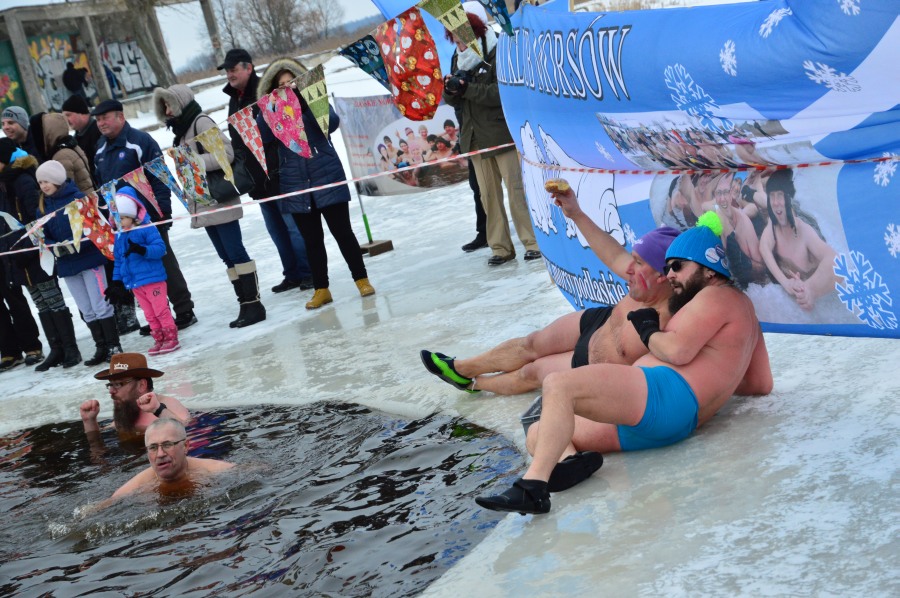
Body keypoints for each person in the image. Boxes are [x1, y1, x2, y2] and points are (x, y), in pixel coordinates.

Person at [476, 213, 773, 514]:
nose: (670, 275)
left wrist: (648, 331)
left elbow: (678, 351)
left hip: (663, 396)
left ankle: (532, 488)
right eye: (668, 267)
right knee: (539, 433)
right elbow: (760, 384)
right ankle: (568, 463)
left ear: (710, 270)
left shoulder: (716, 295)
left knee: (557, 384)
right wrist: (714, 377)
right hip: (669, 421)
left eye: (679, 266)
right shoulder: (747, 315)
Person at [422, 184, 680, 396]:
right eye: (632, 260)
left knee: (531, 372)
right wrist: (575, 213)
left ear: (662, 276)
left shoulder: (674, 318)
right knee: (531, 342)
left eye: (638, 263)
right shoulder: (646, 276)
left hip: (595, 360)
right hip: (603, 321)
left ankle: (472, 384)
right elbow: (612, 254)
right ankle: (461, 367)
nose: (629, 270)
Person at [256, 57, 375, 309]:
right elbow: (263, 136)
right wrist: (272, 108)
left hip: (326, 175)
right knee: (312, 241)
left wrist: (308, 103)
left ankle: (361, 279)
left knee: (344, 234)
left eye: (292, 82)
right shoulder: (272, 111)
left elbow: (331, 123)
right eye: (281, 85)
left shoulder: (315, 101)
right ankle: (322, 289)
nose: (288, 87)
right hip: (294, 182)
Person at [153, 83, 266, 328]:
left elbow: (226, 154)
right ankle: (244, 303)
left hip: (218, 198)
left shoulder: (200, 123)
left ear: (180, 102)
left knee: (236, 253)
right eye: (163, 106)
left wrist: (190, 160)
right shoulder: (182, 130)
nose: (167, 110)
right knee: (227, 257)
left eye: (169, 104)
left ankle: (254, 304)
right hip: (203, 203)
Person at [442, 2, 541, 265]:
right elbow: (455, 101)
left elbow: (502, 92)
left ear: (474, 31)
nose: (459, 43)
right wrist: (450, 92)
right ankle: (500, 247)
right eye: (454, 38)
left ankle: (532, 242)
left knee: (516, 190)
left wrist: (468, 89)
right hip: (474, 138)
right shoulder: (457, 58)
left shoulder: (498, 50)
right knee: (488, 197)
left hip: (500, 134)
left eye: (462, 37)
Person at [93, 99, 197, 333]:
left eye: (105, 118)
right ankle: (158, 316)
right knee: (137, 266)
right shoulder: (100, 149)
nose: (101, 123)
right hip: (122, 222)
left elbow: (159, 176)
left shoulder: (139, 142)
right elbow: (102, 186)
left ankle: (184, 309)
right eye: (98, 120)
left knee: (163, 261)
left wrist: (163, 211)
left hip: (147, 217)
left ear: (120, 116)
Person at [220, 48, 314, 294]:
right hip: (257, 178)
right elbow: (239, 139)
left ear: (248, 67)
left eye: (233, 69)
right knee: (276, 231)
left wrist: (275, 165)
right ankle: (292, 273)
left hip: (278, 171)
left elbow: (281, 127)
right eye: (227, 70)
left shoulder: (264, 89)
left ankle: (308, 272)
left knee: (292, 225)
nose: (229, 74)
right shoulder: (234, 98)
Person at [61, 95, 140, 336]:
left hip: (124, 208)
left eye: (69, 115)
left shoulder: (99, 139)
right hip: (106, 208)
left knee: (128, 260)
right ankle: (125, 309)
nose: (68, 121)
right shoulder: (84, 140)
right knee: (117, 261)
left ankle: (138, 310)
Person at [0, 140, 81, 370]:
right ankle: (56, 348)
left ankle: (70, 348)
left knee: (52, 297)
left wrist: (29, 245)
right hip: (15, 254)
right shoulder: (3, 184)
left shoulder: (22, 182)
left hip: (34, 251)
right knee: (40, 302)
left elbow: (35, 217)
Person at [36, 160, 123, 366]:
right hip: (67, 264)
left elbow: (94, 229)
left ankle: (113, 344)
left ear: (57, 180)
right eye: (40, 182)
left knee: (100, 303)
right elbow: (41, 235)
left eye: (46, 181)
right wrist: (54, 245)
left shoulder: (78, 199)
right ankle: (100, 345)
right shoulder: (42, 208)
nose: (43, 186)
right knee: (86, 308)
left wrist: (76, 244)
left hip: (89, 259)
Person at [108, 187, 179, 355]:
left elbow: (160, 249)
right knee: (149, 313)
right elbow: (119, 260)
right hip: (135, 283)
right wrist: (117, 281)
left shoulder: (147, 228)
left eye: (124, 217)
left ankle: (171, 338)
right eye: (118, 218)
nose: (121, 221)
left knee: (160, 310)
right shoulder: (119, 235)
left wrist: (142, 250)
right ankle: (159, 339)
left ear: (133, 215)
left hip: (152, 279)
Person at [758, 169, 838, 310]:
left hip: (816, 281)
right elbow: (764, 248)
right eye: (772, 196)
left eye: (780, 195)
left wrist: (810, 289)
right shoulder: (772, 224)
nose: (776, 202)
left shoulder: (804, 230)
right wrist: (786, 283)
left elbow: (835, 262)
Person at [109, 418, 233, 501]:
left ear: (185, 446)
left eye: (167, 445)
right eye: (153, 447)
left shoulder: (217, 470)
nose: (160, 454)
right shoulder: (132, 489)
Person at [83, 352, 190, 441]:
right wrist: (89, 421)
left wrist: (158, 410)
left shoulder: (169, 405)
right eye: (110, 384)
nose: (111, 391)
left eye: (118, 384)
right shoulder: (128, 411)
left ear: (141, 385)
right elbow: (99, 440)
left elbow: (186, 433)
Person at [713, 173, 766, 288]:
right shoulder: (719, 210)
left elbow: (752, 209)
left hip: (755, 270)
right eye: (734, 183)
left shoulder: (745, 208)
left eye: (739, 184)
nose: (736, 187)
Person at [29, 111, 94, 193]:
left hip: (80, 203)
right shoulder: (71, 146)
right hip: (88, 198)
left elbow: (64, 191)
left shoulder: (61, 156)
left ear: (47, 133)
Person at [61, 94, 102, 175]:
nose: (66, 119)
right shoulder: (76, 137)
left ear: (82, 114)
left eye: (68, 115)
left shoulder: (98, 131)